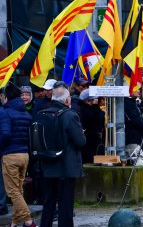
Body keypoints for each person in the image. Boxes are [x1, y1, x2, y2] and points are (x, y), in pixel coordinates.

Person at [39, 85, 86, 227]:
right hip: (66, 166)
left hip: (47, 164)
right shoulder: (70, 115)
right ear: (67, 100)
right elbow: (81, 141)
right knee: (65, 204)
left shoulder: (42, 114)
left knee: (49, 202)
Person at [0, 82, 36, 226]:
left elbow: (6, 134)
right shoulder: (25, 113)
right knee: (18, 190)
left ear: (7, 97)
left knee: (13, 192)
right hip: (24, 155)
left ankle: (28, 221)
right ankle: (14, 223)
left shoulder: (4, 112)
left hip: (10, 155)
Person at [79, 89, 105, 163]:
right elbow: (96, 121)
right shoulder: (87, 111)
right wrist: (102, 112)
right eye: (93, 99)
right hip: (89, 141)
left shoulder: (83, 108)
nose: (95, 101)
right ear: (88, 101)